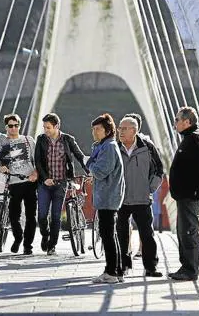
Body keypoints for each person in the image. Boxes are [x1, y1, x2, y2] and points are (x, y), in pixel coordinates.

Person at [168, 106, 199, 281]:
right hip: (185, 195)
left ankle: (190, 271)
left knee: (188, 232)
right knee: (184, 232)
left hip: (191, 194)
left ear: (187, 121)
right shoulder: (189, 137)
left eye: (177, 120)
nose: (175, 124)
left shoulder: (194, 138)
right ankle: (185, 267)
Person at [35, 113, 89, 255]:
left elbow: (79, 155)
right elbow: (38, 162)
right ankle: (45, 235)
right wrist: (45, 177)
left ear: (56, 126)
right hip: (44, 183)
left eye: (48, 127)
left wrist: (88, 170)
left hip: (61, 182)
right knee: (41, 215)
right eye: (44, 127)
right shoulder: (41, 140)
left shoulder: (67, 139)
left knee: (56, 215)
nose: (45, 130)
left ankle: (52, 245)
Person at [116, 115, 164, 277]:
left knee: (147, 234)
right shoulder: (115, 147)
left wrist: (150, 188)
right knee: (121, 234)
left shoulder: (148, 147)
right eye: (119, 128)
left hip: (142, 198)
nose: (120, 131)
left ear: (134, 131)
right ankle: (123, 266)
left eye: (124, 128)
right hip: (121, 199)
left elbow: (159, 169)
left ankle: (151, 267)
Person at [0, 114, 38, 255]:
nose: (14, 128)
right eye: (10, 126)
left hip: (30, 181)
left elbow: (37, 160)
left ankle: (28, 245)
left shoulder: (28, 140)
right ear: (6, 127)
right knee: (14, 215)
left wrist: (36, 173)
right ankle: (18, 237)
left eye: (16, 125)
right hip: (13, 183)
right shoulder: (1, 142)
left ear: (20, 126)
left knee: (31, 215)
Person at [86, 114, 125, 283]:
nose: (94, 132)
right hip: (108, 196)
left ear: (108, 130)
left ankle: (111, 272)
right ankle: (117, 271)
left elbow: (101, 171)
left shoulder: (109, 147)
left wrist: (89, 163)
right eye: (93, 129)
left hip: (108, 197)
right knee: (110, 234)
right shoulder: (106, 145)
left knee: (107, 234)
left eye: (98, 129)